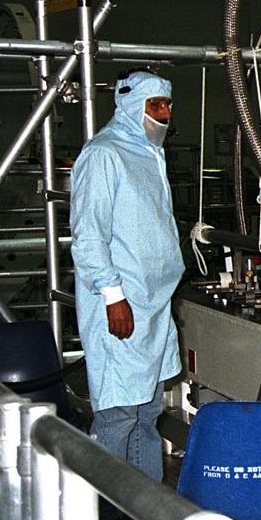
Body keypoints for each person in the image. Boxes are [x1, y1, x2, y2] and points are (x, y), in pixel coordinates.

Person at [71, 70, 184, 480]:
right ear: (131, 105)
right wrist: (113, 295)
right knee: (118, 414)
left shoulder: (150, 154)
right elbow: (88, 236)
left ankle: (144, 509)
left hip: (153, 304)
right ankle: (101, 515)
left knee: (148, 411)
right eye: (156, 105)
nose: (165, 114)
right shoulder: (105, 154)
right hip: (122, 304)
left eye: (168, 105)